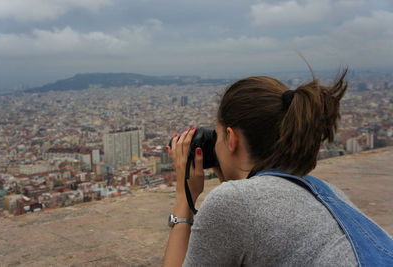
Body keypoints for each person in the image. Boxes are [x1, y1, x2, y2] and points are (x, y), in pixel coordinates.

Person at [162, 70, 393, 266]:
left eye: (218, 136)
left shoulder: (232, 201)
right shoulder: (329, 192)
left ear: (231, 139)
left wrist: (184, 197)